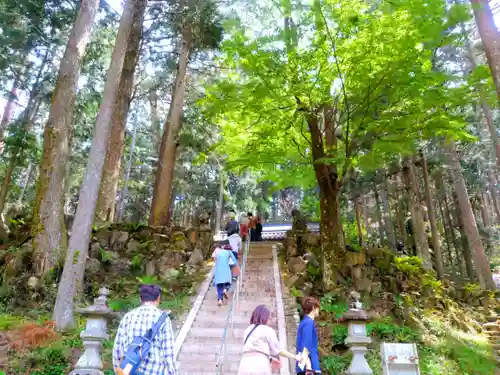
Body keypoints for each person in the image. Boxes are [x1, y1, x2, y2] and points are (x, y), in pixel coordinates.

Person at [113, 284, 176, 375]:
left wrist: (118, 370)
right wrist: (172, 372)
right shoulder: (163, 319)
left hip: (129, 371)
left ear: (140, 299)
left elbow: (118, 349)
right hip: (154, 371)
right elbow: (168, 351)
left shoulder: (128, 317)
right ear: (158, 298)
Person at [238, 305, 301, 375]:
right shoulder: (267, 330)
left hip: (244, 364)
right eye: (270, 318)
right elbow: (278, 350)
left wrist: (270, 359)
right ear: (264, 317)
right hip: (260, 366)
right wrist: (294, 356)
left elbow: (253, 350)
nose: (271, 321)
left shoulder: (247, 330)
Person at [296, 296, 321, 374]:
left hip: (304, 366)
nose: (319, 310)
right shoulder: (308, 323)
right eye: (318, 307)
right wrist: (309, 367)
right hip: (310, 367)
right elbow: (305, 346)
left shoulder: (304, 322)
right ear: (313, 307)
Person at [212, 241, 237, 306]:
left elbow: (214, 259)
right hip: (226, 269)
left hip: (217, 271)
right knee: (228, 282)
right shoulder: (229, 252)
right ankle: (225, 290)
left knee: (219, 285)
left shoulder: (217, 251)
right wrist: (231, 264)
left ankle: (220, 300)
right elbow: (234, 260)